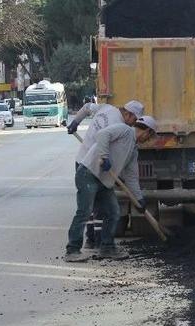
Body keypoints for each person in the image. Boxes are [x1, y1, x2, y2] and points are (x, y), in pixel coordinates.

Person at [65, 116, 157, 263]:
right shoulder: (124, 130)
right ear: (146, 131)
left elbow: (132, 177)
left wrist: (139, 199)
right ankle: (72, 250)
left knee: (113, 212)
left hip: (104, 182)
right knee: (84, 211)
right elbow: (102, 135)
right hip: (89, 173)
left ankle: (107, 247)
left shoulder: (133, 150)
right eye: (150, 136)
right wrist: (104, 156)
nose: (148, 140)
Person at [67, 100, 144, 249]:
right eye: (134, 120)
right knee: (88, 207)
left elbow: (87, 107)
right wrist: (104, 157)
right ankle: (86, 242)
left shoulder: (106, 108)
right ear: (128, 114)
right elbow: (102, 137)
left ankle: (97, 241)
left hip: (83, 160)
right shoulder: (120, 126)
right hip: (91, 163)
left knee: (101, 208)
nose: (133, 124)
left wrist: (76, 121)